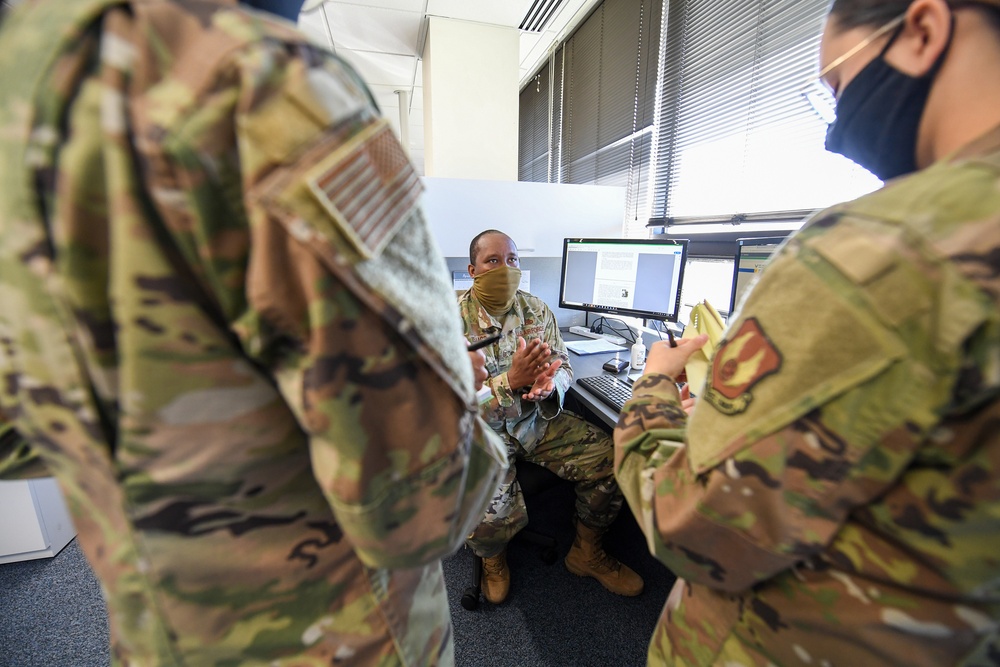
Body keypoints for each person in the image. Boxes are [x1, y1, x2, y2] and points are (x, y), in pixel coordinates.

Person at [0, 0, 507, 664]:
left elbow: (16, 433)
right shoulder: (265, 85)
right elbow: (419, 505)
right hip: (332, 633)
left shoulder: (25, 74)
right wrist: (463, 393)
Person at [613, 0, 1000, 664]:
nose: (835, 129)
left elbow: (692, 524)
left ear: (922, 29)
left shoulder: (881, 249)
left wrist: (652, 387)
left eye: (838, 87)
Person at [459, 229, 644, 603]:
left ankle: (586, 552)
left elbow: (563, 364)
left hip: (534, 421)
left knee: (610, 458)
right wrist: (508, 382)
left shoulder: (536, 310)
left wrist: (550, 384)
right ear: (472, 269)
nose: (505, 268)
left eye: (512, 260)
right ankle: (493, 559)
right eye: (493, 261)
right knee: (483, 509)